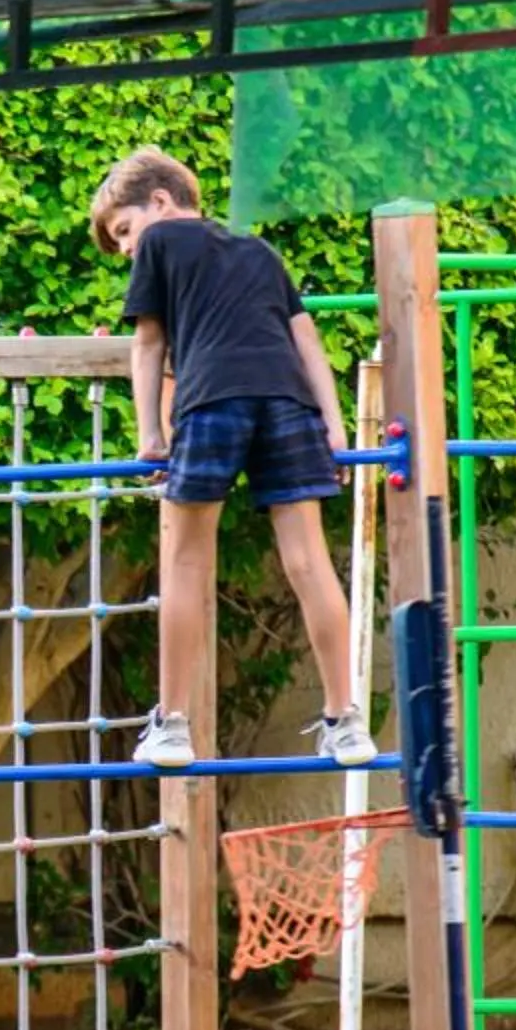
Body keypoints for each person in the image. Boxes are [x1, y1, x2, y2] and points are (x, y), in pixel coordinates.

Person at [90, 144, 376, 770]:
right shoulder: (258, 250)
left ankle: (171, 725)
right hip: (288, 402)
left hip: (212, 401)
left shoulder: (163, 245)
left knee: (187, 561)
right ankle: (345, 721)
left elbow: (147, 345)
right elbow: (306, 339)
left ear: (159, 202)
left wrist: (150, 434)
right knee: (309, 562)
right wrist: (334, 427)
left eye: (126, 231)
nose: (129, 249)